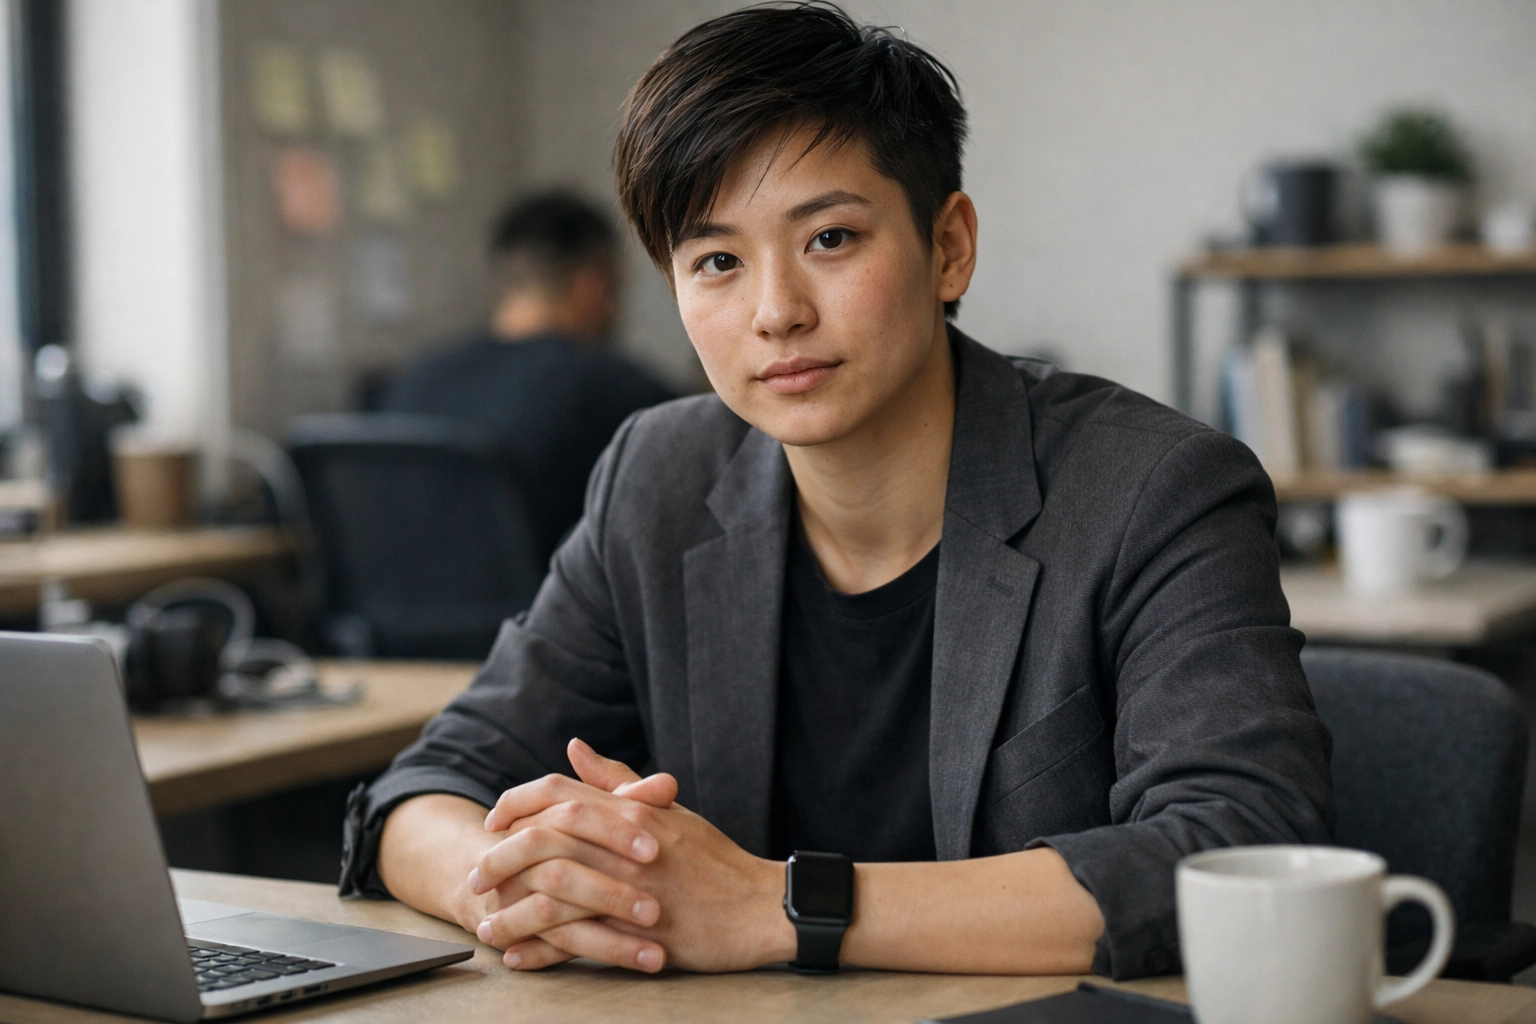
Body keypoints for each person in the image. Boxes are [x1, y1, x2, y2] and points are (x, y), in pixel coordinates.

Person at [341, 2, 1332, 980]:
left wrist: (775, 904)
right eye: (718, 260)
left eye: (831, 240)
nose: (775, 312)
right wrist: (515, 880)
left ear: (949, 247)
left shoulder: (1150, 486)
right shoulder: (660, 477)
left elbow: (1235, 846)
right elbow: (427, 786)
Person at [380, 190, 678, 561]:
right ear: (593, 287)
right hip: (546, 614)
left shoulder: (417, 377)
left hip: (392, 614)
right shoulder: (615, 387)